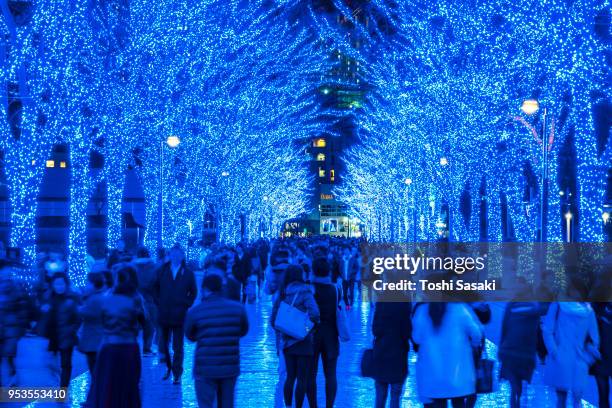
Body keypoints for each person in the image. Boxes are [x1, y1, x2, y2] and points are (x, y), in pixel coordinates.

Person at [185, 274, 249, 408]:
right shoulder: (238, 309)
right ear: (221, 288)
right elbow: (243, 331)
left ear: (205, 290)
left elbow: (190, 336)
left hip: (205, 367)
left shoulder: (196, 311)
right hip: (229, 366)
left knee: (206, 403)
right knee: (227, 404)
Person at [90, 266, 145, 408]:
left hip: (108, 346)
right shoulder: (136, 299)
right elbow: (146, 324)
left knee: (107, 386)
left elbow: (101, 321)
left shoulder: (106, 298)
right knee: (128, 385)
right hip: (129, 347)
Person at [412, 303, 483, 408]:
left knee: (439, 401)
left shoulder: (422, 311)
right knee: (458, 401)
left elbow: (416, 338)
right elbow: (476, 334)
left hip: (434, 373)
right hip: (457, 373)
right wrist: (472, 345)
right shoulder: (459, 309)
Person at [271, 265, 320, 408]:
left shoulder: (282, 293)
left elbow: (273, 320)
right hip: (303, 341)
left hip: (287, 342)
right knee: (302, 379)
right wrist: (306, 327)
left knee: (290, 377)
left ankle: (288, 406)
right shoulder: (306, 292)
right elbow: (315, 313)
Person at [542, 301, 599, 408]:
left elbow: (547, 330)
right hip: (579, 360)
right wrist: (587, 358)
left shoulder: (558, 306)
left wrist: (554, 351)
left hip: (562, 359)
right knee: (576, 400)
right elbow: (594, 340)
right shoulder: (588, 311)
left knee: (562, 400)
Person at [154, 244, 197, 384]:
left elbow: (193, 292)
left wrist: (186, 303)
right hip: (164, 313)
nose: (176, 256)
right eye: (173, 254)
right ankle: (168, 366)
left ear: (182, 256)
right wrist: (159, 303)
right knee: (164, 344)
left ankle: (177, 372)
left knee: (178, 346)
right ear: (170, 255)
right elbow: (154, 288)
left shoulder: (188, 273)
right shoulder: (162, 270)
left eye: (179, 254)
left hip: (179, 314)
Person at [38, 273, 80, 388]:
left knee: (66, 364)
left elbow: (78, 318)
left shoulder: (72, 298)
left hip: (66, 336)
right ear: (52, 285)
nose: (59, 286)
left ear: (66, 284)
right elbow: (42, 317)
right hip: (52, 337)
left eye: (61, 284)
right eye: (56, 284)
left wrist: (71, 330)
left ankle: (63, 389)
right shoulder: (48, 298)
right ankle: (59, 382)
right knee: (50, 364)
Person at [498, 302, 543, 408]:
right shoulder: (535, 308)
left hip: (509, 351)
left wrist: (500, 349)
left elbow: (504, 327)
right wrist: (542, 353)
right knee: (521, 382)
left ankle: (514, 398)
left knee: (513, 381)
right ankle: (518, 397)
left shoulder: (511, 305)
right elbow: (538, 332)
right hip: (526, 354)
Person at [309, 257, 340, 408]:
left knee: (310, 375)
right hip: (331, 336)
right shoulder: (334, 289)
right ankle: (329, 406)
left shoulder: (309, 289)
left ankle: (313, 406)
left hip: (311, 335)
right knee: (331, 375)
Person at [371, 297, 412, 408]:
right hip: (399, 355)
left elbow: (375, 330)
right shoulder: (405, 303)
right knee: (395, 395)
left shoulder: (381, 301)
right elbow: (408, 332)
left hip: (381, 354)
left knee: (380, 395)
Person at [77, 272, 107, 404]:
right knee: (96, 373)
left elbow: (86, 313)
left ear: (94, 284)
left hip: (93, 341)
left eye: (88, 282)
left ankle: (95, 400)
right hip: (97, 339)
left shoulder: (95, 298)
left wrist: (76, 308)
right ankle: (95, 399)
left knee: (95, 373)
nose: (86, 284)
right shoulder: (100, 296)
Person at [0, 260, 27, 387]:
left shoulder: (15, 287)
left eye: (7, 270)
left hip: (11, 328)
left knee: (9, 355)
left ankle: (13, 376)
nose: (6, 272)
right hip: (3, 327)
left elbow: (22, 308)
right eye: (4, 270)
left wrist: (20, 327)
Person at [133, 247, 158, 356]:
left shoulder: (132, 267)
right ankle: (146, 349)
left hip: (134, 299)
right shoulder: (154, 268)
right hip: (149, 300)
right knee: (149, 326)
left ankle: (131, 348)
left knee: (133, 325)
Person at [593, 302, 612, 408]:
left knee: (603, 396)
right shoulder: (597, 307)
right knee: (603, 396)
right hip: (601, 357)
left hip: (602, 356)